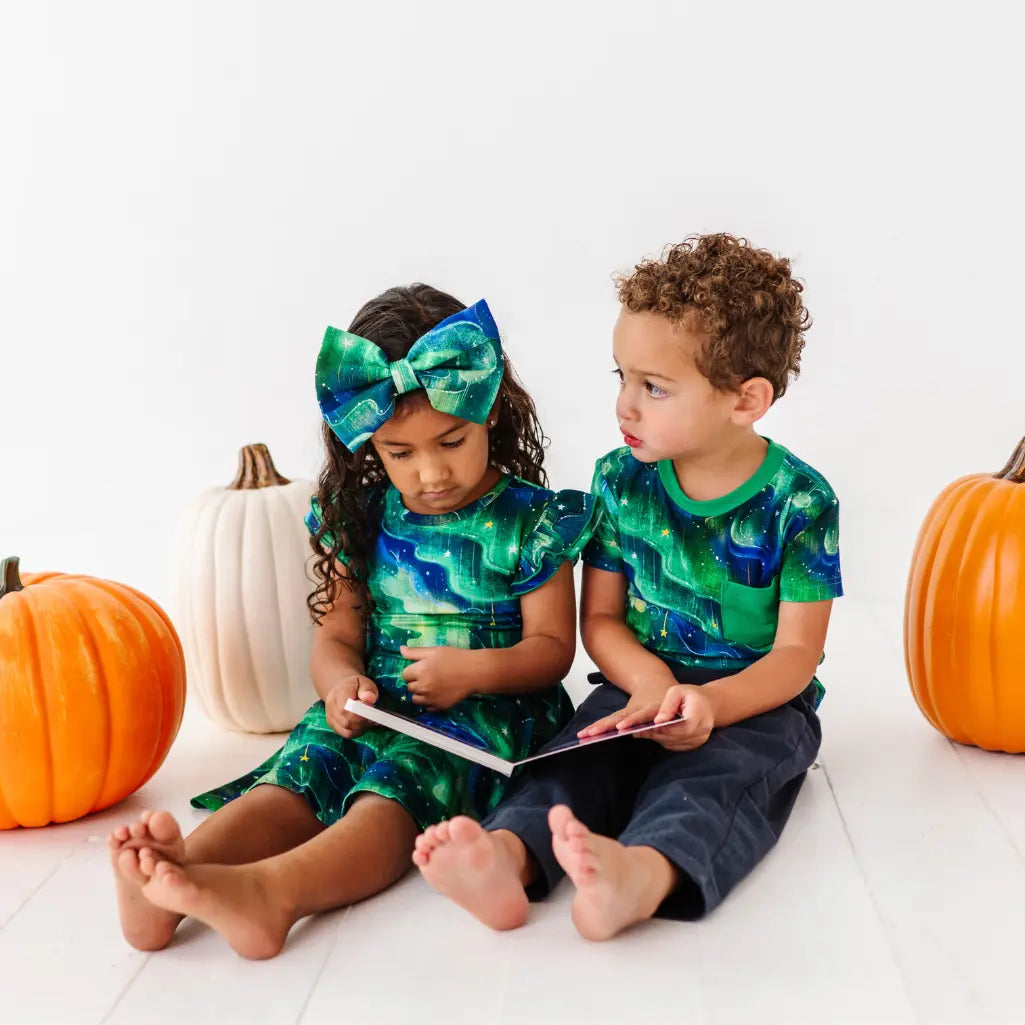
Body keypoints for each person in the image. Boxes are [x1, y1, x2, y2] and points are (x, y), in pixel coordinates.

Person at [108, 284, 595, 958]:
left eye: (451, 441)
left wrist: (471, 671)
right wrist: (339, 683)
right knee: (303, 771)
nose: (429, 471)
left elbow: (550, 650)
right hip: (376, 706)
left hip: (483, 716)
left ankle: (276, 893)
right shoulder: (361, 516)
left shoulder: (530, 520)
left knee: (391, 796)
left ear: (490, 414)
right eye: (400, 451)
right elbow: (336, 633)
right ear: (371, 445)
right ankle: (174, 873)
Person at [414, 234, 843, 940]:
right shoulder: (621, 480)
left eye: (652, 386)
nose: (624, 405)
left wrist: (708, 702)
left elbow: (795, 656)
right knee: (569, 761)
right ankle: (506, 857)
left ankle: (637, 876)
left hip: (754, 704)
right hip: (633, 687)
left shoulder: (799, 502)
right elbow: (603, 619)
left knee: (710, 783)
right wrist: (646, 685)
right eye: (620, 375)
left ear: (746, 398)